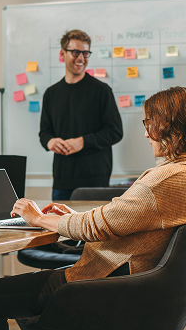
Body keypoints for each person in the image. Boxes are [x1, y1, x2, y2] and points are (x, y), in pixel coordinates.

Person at [0, 86, 186, 330]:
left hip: (112, 285)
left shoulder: (167, 179)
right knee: (25, 289)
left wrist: (37, 218)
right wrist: (72, 218)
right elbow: (118, 218)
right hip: (140, 284)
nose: (145, 133)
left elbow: (98, 225)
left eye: (149, 123)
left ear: (169, 126)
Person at [39, 29, 123, 201]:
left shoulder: (102, 91)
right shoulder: (51, 93)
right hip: (62, 180)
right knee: (58, 227)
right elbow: (44, 133)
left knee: (93, 229)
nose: (81, 58)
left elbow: (115, 131)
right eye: (76, 52)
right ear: (62, 54)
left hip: (95, 181)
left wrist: (83, 141)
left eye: (86, 53)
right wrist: (50, 141)